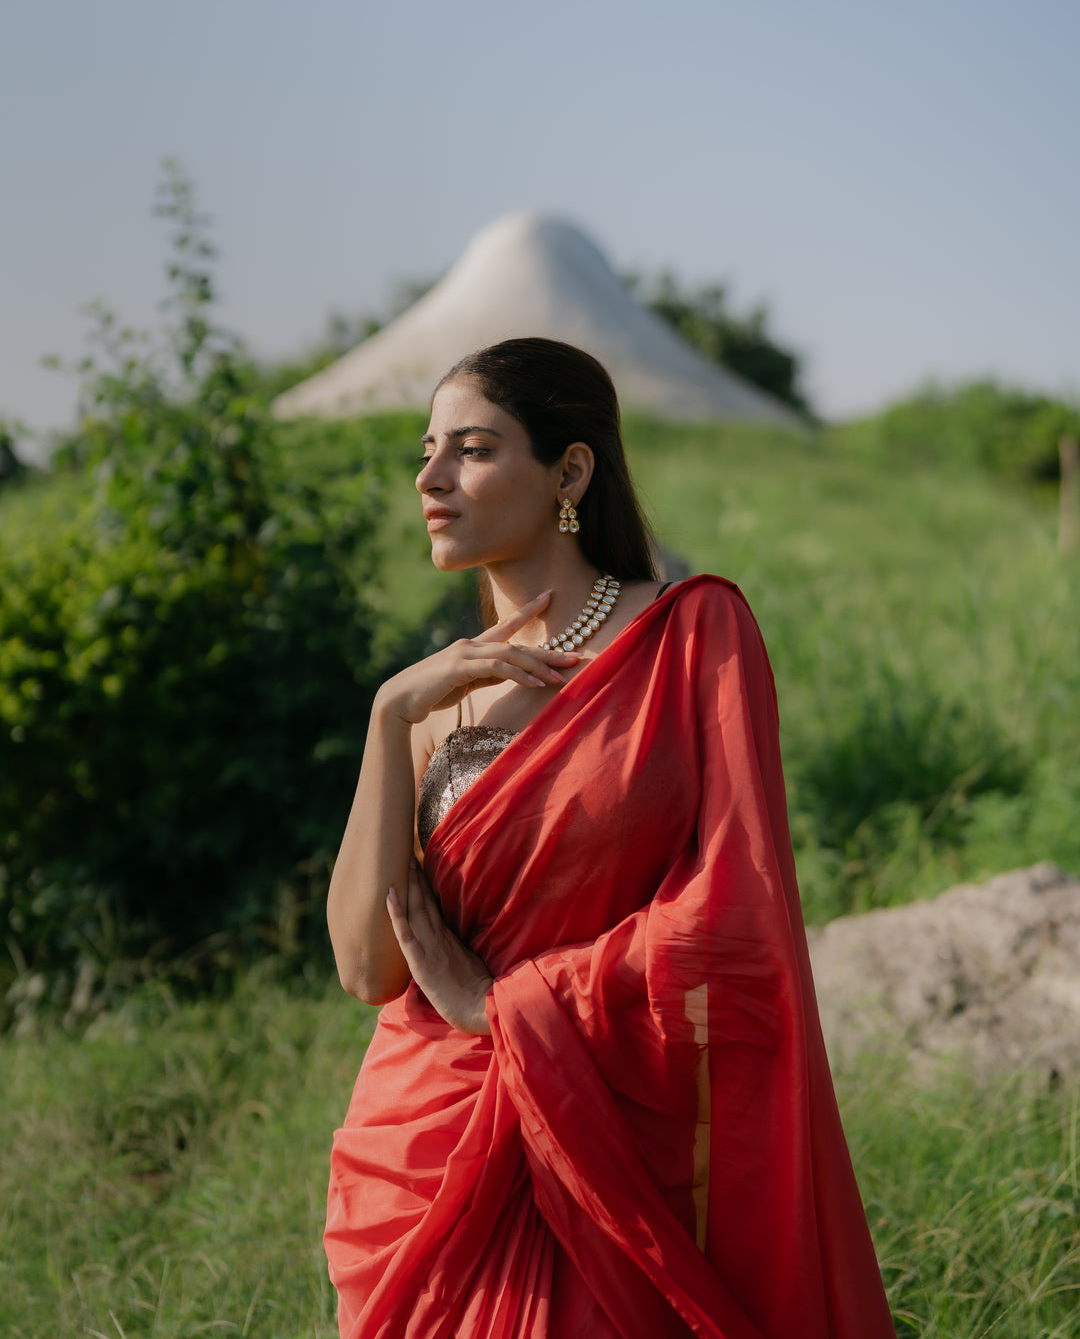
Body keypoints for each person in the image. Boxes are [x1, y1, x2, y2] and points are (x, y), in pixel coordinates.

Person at [324, 338, 895, 1339]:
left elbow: (735, 920)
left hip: (606, 1132)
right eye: (425, 451)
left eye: (471, 449)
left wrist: (503, 1007)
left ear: (570, 471)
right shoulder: (427, 698)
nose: (430, 477)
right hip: (428, 1150)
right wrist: (385, 716)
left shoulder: (689, 639)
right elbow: (368, 967)